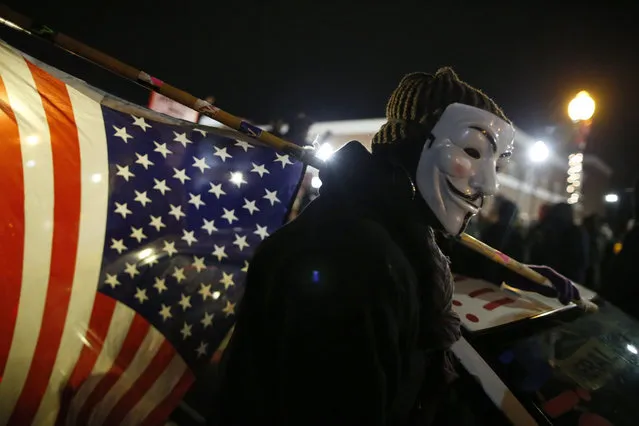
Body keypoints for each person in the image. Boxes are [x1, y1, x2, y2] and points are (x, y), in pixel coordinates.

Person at [216, 68, 579, 426]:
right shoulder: (352, 257)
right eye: (472, 150)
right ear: (413, 145)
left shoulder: (398, 235)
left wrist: (511, 278)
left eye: (497, 162)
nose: (489, 184)